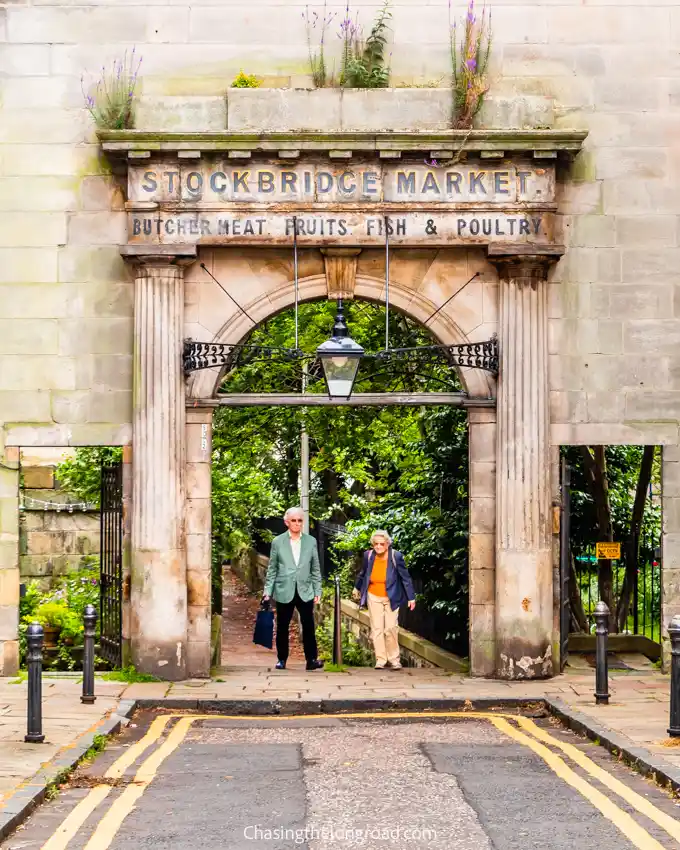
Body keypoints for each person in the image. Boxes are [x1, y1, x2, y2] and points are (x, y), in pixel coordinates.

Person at [263, 506, 324, 671]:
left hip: (305, 590)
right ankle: (281, 659)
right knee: (282, 626)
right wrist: (267, 592)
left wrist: (318, 590)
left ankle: (311, 659)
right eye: (294, 521)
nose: (297, 524)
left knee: (309, 625)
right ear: (286, 522)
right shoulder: (278, 542)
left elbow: (315, 568)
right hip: (284, 589)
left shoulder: (310, 541)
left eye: (300, 521)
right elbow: (272, 568)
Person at [352, 530, 416, 670]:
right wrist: (356, 588)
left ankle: (394, 659)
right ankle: (381, 659)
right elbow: (363, 574)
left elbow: (405, 577)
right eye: (376, 544)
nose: (379, 546)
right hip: (373, 595)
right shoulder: (368, 556)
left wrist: (411, 597)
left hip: (392, 596)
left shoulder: (396, 556)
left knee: (391, 628)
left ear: (387, 544)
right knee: (377, 629)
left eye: (382, 544)